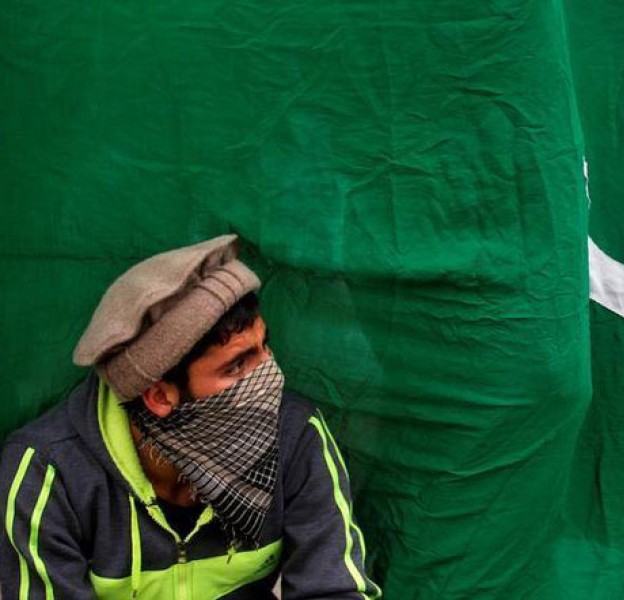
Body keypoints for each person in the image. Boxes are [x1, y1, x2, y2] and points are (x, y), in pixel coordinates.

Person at [0, 235, 381, 599]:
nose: (271, 378)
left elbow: (335, 590)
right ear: (160, 396)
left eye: (265, 349)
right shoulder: (47, 472)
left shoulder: (296, 434)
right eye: (237, 366)